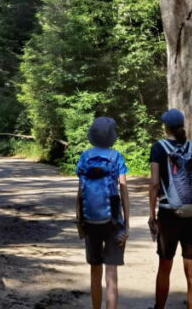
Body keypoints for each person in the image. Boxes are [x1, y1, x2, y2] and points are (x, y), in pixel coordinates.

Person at [147, 108, 192, 309]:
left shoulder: (158, 148)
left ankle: (159, 308)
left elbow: (154, 183)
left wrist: (151, 214)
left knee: (165, 266)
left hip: (169, 214)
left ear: (166, 127)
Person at [75, 116, 129, 309]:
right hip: (114, 220)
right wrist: (126, 225)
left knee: (95, 272)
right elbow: (123, 190)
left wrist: (79, 221)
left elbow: (80, 192)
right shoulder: (116, 157)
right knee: (111, 275)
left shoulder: (85, 157)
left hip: (90, 220)